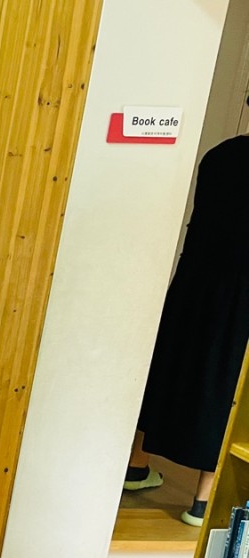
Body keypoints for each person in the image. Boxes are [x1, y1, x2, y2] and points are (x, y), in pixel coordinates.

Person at [127, 129, 249, 527]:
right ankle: (201, 502)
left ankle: (136, 466)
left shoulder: (219, 155)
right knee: (226, 384)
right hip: (242, 293)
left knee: (169, 367)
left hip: (194, 280)